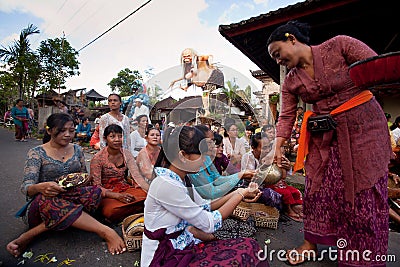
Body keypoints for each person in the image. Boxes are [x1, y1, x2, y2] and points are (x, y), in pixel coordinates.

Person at [267, 20, 392, 266]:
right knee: (317, 186)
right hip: (324, 137)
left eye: (277, 53)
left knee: (363, 190)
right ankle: (311, 243)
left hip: (364, 128)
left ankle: (363, 253)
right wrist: (278, 145)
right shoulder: (290, 82)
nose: (277, 60)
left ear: (292, 38)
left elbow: (376, 67)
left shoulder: (339, 45)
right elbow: (286, 115)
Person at [141, 125, 266, 267]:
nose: (205, 160)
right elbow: (208, 224)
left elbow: (205, 205)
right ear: (182, 155)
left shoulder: (181, 178)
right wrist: (240, 194)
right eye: (202, 154)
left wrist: (239, 194)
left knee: (249, 246)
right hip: (164, 256)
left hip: (182, 244)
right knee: (246, 250)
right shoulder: (167, 185)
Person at [6, 113, 126, 258]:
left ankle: (38, 232)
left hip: (70, 197)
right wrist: (40, 187)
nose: (68, 135)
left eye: (71, 130)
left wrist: (86, 179)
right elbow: (26, 187)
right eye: (62, 130)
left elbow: (83, 177)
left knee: (95, 192)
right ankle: (105, 231)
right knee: (52, 201)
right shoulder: (36, 153)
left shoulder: (77, 150)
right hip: (44, 203)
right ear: (49, 130)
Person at [90, 124, 148, 223]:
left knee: (147, 197)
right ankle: (132, 210)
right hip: (107, 193)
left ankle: (128, 210)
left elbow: (136, 176)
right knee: (111, 211)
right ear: (105, 139)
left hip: (124, 188)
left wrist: (150, 190)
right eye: (112, 136)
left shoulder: (126, 154)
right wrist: (117, 196)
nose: (117, 139)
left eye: (120, 136)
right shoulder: (98, 158)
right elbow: (96, 186)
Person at [188, 124, 255, 199]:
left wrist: (241, 175)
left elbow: (218, 179)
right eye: (210, 142)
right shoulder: (194, 164)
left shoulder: (206, 158)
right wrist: (240, 192)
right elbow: (211, 193)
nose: (213, 146)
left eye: (214, 141)